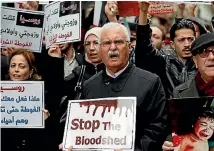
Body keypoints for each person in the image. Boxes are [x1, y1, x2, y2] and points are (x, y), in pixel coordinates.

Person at [73, 22, 168, 151]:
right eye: (106, 43)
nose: (112, 48)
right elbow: (83, 129)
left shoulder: (151, 83)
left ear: (129, 47)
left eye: (118, 42)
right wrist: (73, 144)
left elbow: (157, 129)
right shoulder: (89, 85)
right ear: (101, 48)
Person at [163, 32, 214, 151]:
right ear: (195, 61)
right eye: (204, 52)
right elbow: (175, 129)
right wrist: (169, 142)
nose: (211, 57)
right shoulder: (180, 93)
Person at [135, 2, 197, 98]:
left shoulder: (202, 61)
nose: (187, 44)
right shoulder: (164, 61)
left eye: (190, 39)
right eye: (181, 40)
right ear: (172, 44)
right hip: (169, 112)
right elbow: (144, 48)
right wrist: (143, 12)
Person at [1, 48, 50, 151]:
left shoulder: (41, 95)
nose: (16, 70)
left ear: (31, 71)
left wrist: (46, 122)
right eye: (13, 66)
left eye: (22, 66)